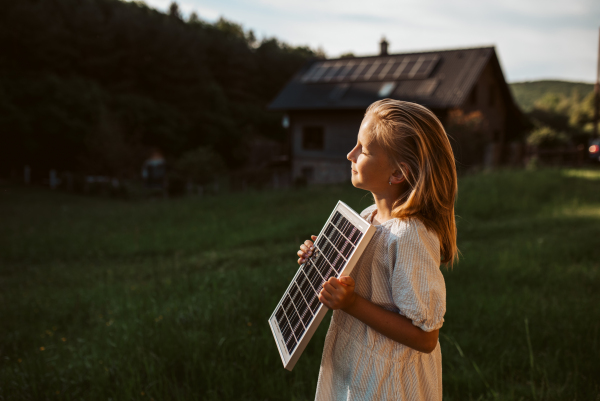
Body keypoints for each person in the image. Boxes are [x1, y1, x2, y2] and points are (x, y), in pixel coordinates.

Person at [297, 99, 458, 400]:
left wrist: (351, 303)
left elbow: (425, 338)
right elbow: (359, 279)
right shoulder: (367, 216)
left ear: (397, 174)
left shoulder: (409, 236)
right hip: (359, 366)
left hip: (390, 382)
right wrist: (321, 259)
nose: (350, 154)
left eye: (363, 149)